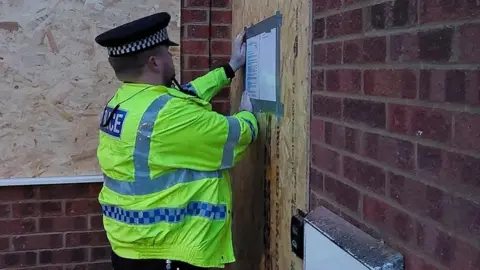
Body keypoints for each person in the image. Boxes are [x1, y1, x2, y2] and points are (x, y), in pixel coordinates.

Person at [94, 12, 257, 270]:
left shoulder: (124, 102)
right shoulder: (167, 115)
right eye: (167, 52)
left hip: (132, 245)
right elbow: (233, 137)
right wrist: (249, 114)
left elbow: (184, 95)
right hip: (169, 251)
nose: (172, 57)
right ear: (154, 62)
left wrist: (229, 68)